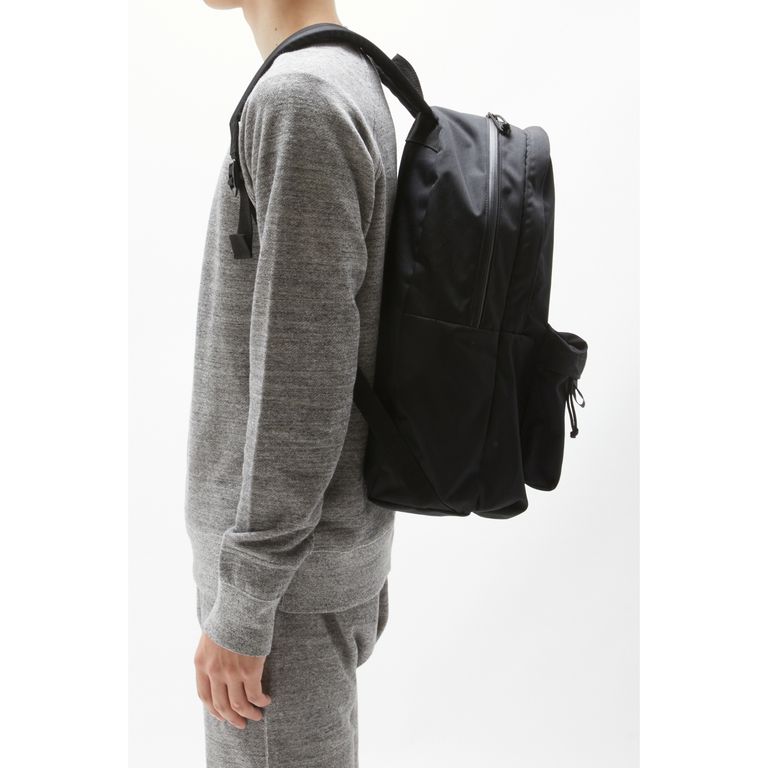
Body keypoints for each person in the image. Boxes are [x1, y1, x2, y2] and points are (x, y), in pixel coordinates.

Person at [184, 1, 399, 765]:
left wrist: (246, 603)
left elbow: (303, 379)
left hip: (284, 594)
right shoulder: (345, 73)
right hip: (309, 567)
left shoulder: (300, 99)